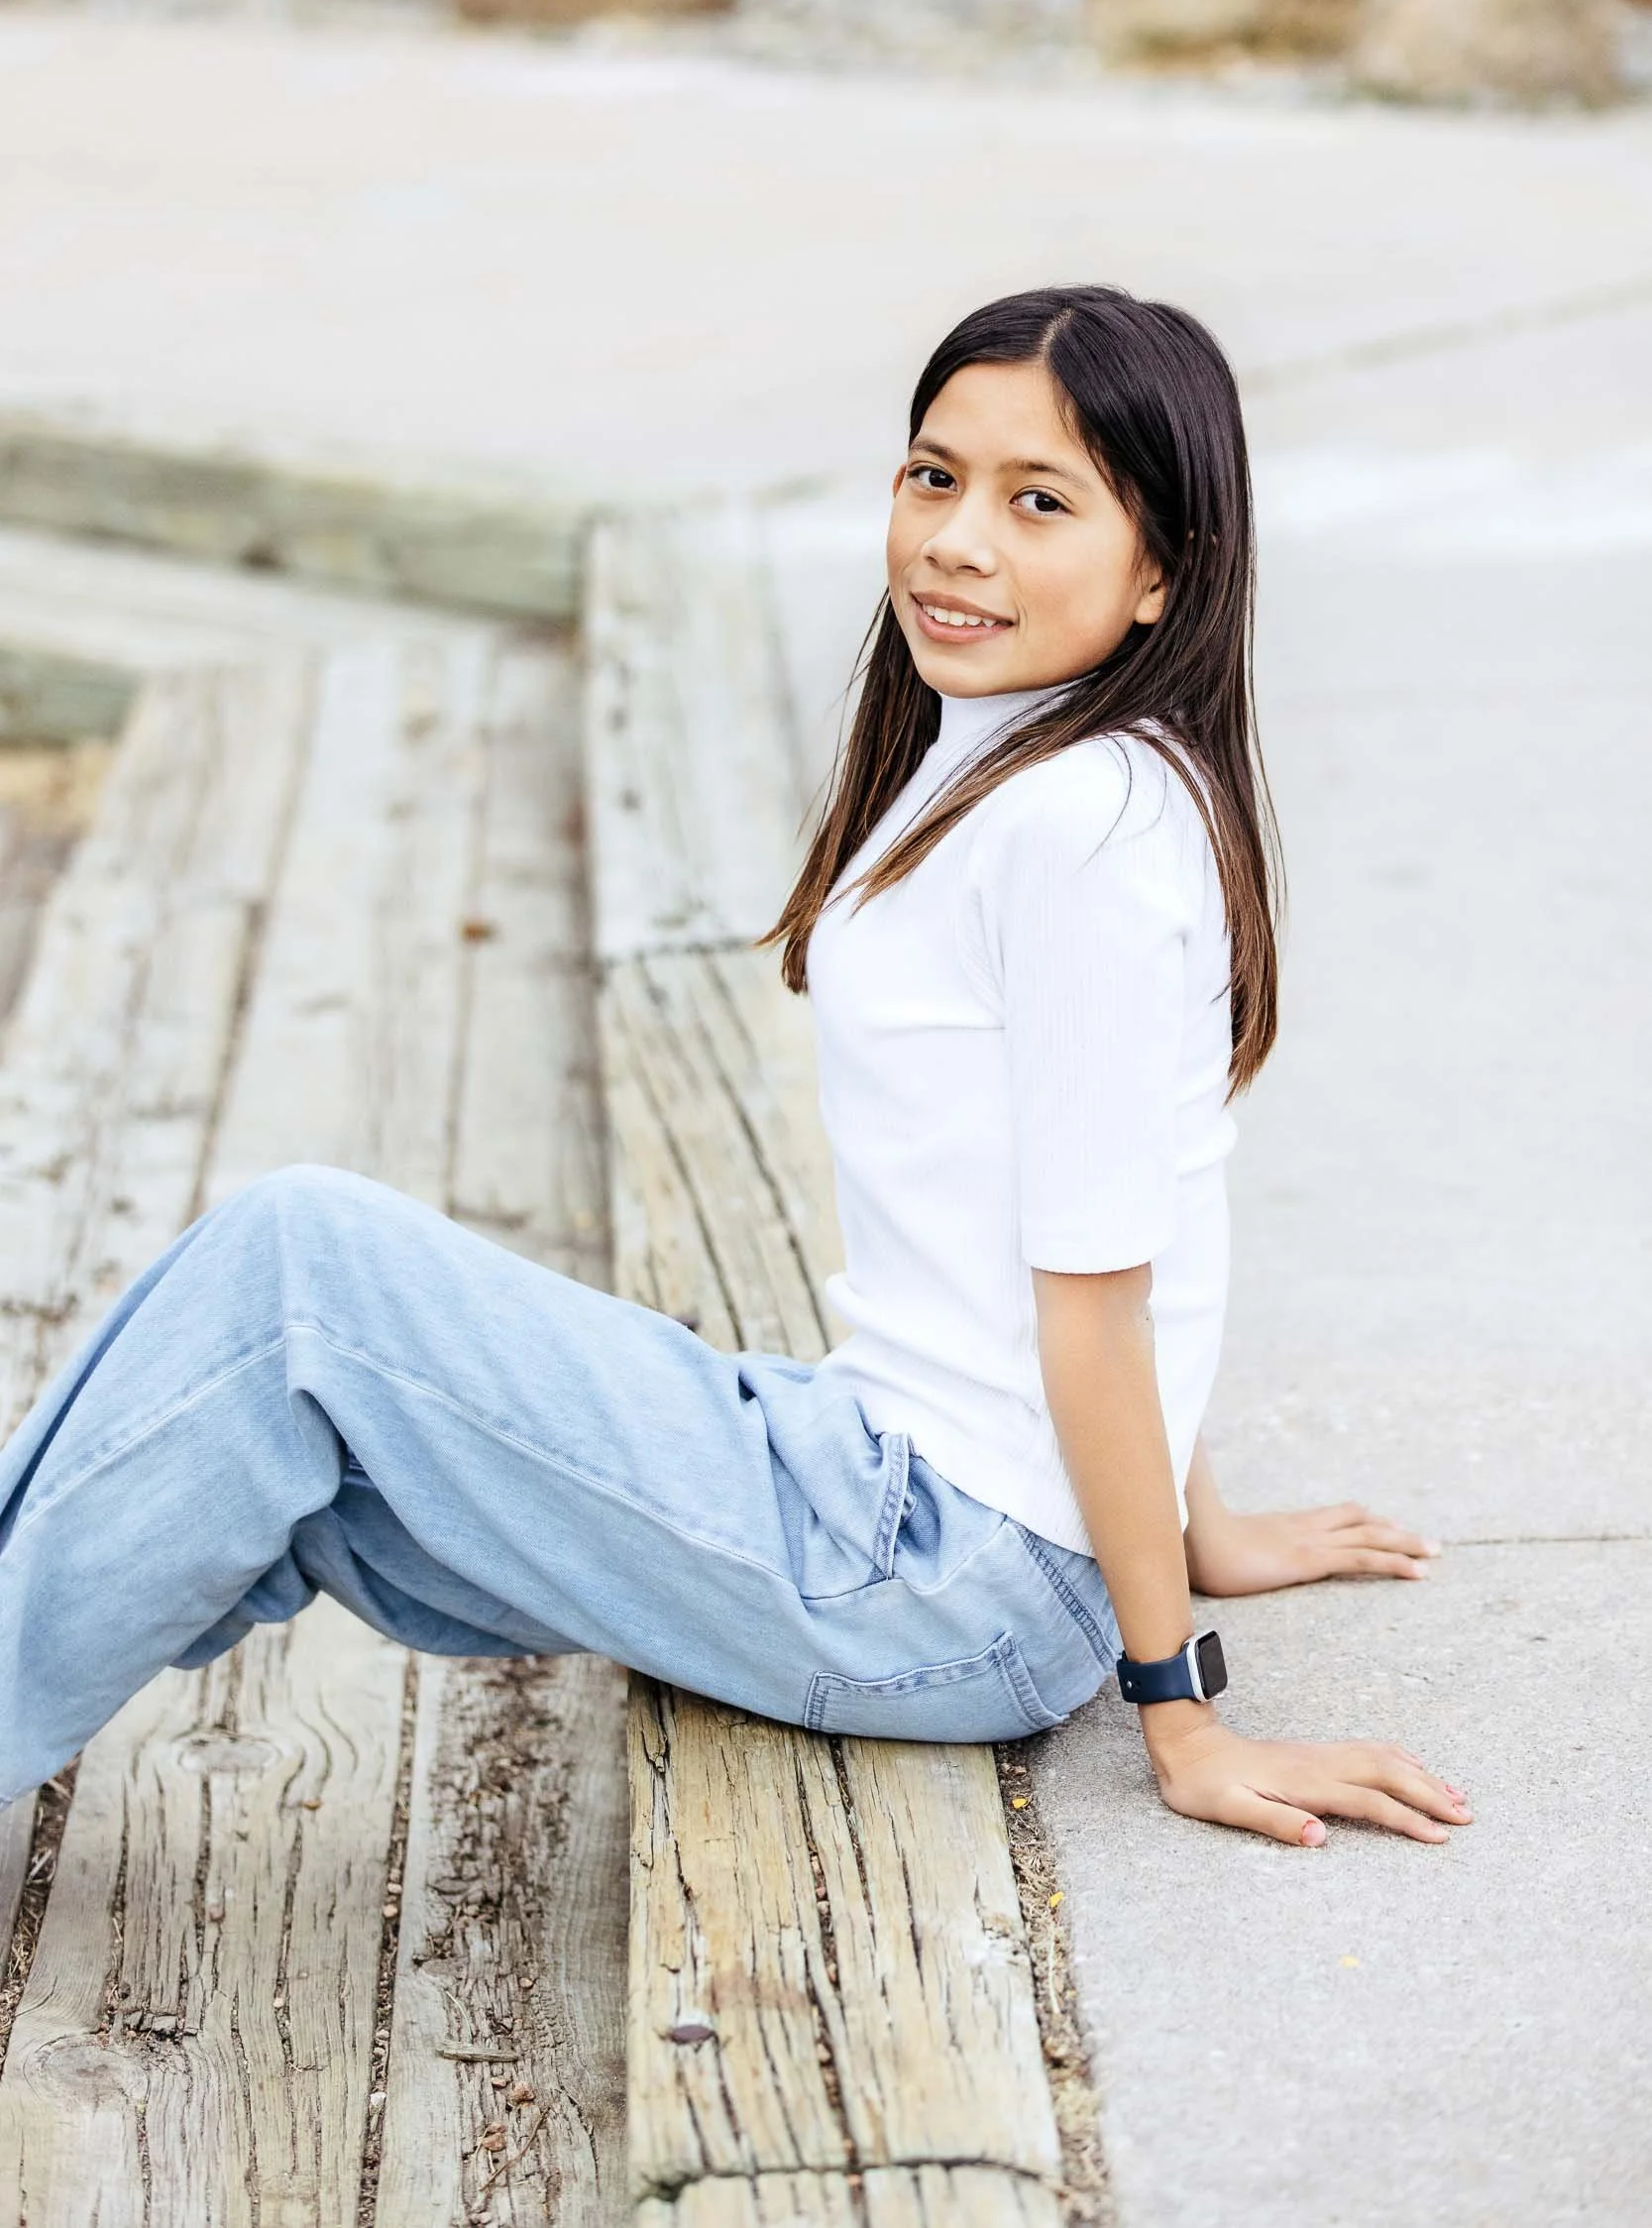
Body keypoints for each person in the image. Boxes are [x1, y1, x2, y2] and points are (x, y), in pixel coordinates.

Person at [0, 285, 1468, 1851]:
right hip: (888, 1497)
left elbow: (1101, 1290)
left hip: (934, 1575)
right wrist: (1204, 1526)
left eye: (1038, 502)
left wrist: (1178, 1702)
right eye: (932, 476)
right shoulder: (1034, 752)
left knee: (299, 1274)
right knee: (279, 1406)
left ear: (1164, 570)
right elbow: (1142, 1181)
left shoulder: (1078, 836)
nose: (958, 539)